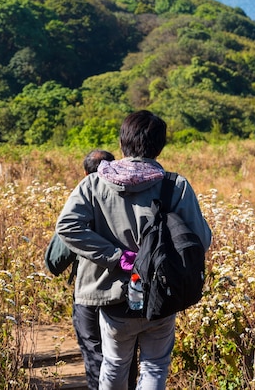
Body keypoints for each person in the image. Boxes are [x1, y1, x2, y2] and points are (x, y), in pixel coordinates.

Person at [55, 110, 212, 390]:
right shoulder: (175, 186)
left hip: (111, 296)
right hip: (161, 294)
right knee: (154, 365)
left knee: (114, 363)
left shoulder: (93, 184)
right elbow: (200, 240)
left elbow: (67, 228)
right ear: (160, 145)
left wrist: (117, 257)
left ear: (122, 142)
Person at [46, 149, 141, 390]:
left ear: (86, 173)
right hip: (129, 293)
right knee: (125, 359)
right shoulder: (132, 195)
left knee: (95, 358)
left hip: (89, 295)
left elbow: (54, 261)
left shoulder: (85, 196)